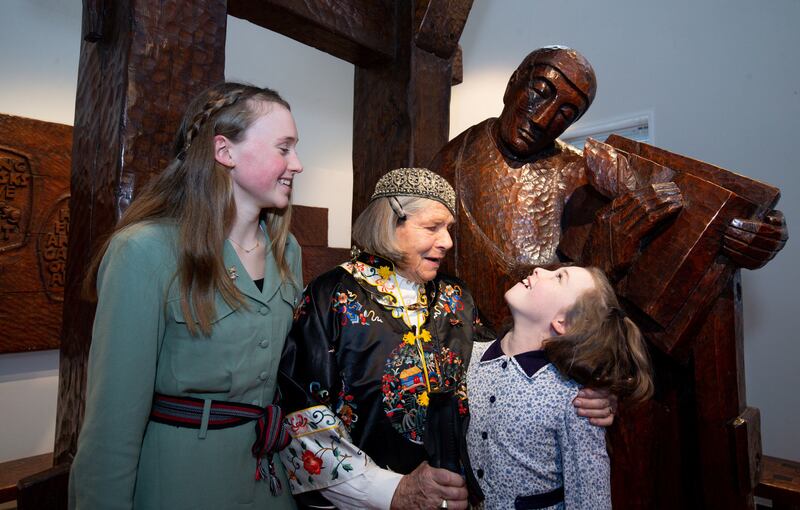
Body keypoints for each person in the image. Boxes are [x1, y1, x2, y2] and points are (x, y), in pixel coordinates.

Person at [277, 168, 615, 510]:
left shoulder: (455, 296)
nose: (448, 242)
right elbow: (302, 417)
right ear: (390, 221)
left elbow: (506, 370)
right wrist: (391, 491)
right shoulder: (329, 297)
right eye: (432, 227)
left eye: (449, 229)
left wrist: (588, 393)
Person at [428, 45, 785, 327]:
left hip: (552, 353)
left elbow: (677, 222)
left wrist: (742, 237)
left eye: (566, 114)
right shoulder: (451, 161)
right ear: (513, 85)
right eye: (540, 92)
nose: (542, 119)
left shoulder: (581, 173)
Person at [69, 82, 303, 509]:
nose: (298, 165)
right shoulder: (145, 251)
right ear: (225, 152)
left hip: (269, 480)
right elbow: (112, 424)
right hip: (181, 484)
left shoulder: (287, 252)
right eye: (283, 149)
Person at [467, 266, 653, 509]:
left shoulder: (575, 399)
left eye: (558, 277)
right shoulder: (468, 358)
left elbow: (590, 501)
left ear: (563, 322)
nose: (539, 269)